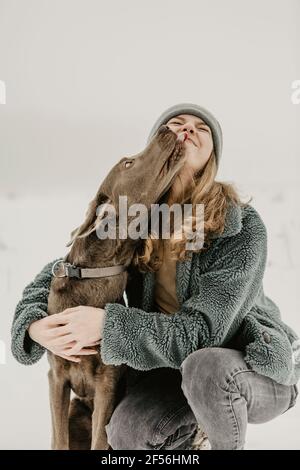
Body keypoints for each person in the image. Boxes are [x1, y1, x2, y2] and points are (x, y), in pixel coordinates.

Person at [11, 103, 300, 450]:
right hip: (170, 369)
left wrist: (108, 326)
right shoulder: (140, 221)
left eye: (201, 128)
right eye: (177, 124)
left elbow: (204, 335)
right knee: (126, 433)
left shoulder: (239, 226)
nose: (188, 129)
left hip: (249, 367)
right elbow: (66, 271)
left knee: (205, 368)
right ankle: (190, 432)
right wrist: (34, 326)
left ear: (212, 157)